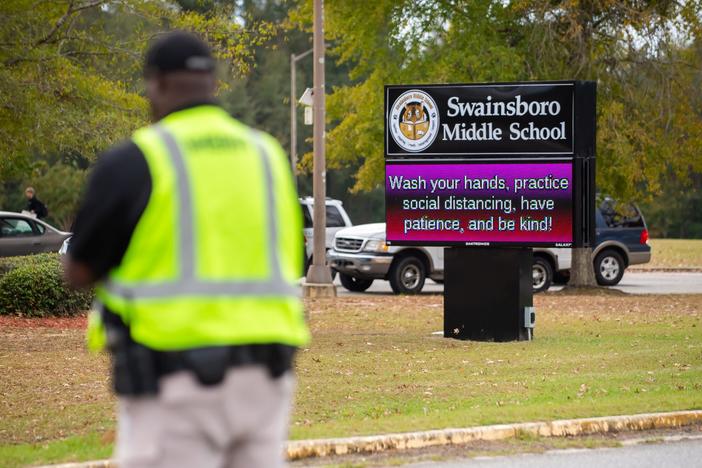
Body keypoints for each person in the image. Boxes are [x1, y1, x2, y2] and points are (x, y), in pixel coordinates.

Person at [64, 31, 309, 468]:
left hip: (175, 382)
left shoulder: (136, 159)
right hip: (266, 379)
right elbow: (292, 258)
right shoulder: (266, 155)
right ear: (213, 82)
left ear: (155, 83)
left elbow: (79, 270)